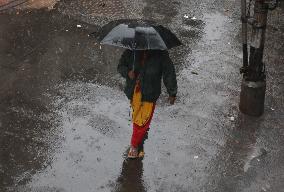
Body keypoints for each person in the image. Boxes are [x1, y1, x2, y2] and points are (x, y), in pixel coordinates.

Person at [117, 49, 177, 158]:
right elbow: (120, 66)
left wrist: (172, 92)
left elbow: (169, 72)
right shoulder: (132, 50)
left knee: (142, 120)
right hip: (134, 91)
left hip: (150, 93)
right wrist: (127, 72)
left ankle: (134, 145)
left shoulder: (160, 53)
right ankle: (141, 134)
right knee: (137, 118)